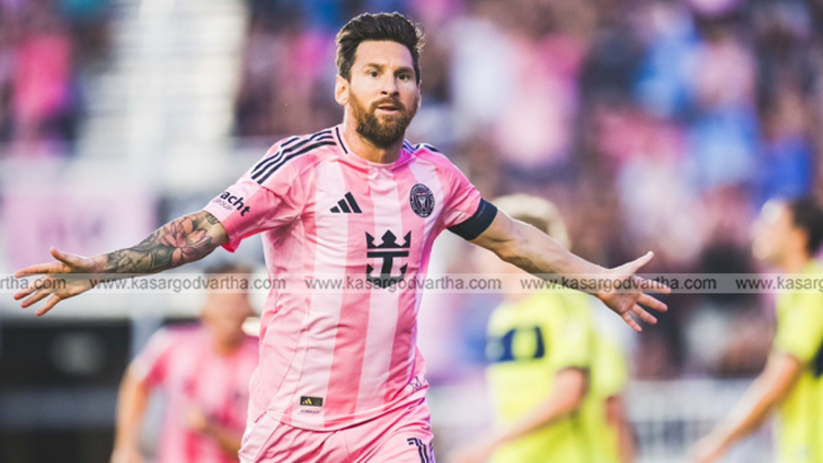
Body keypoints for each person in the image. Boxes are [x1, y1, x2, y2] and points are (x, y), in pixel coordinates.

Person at [13, 13, 667, 463]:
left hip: (391, 420)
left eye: (403, 75)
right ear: (342, 86)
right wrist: (103, 268)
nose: (390, 86)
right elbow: (199, 233)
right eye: (374, 72)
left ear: (418, 91)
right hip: (291, 426)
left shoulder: (436, 177)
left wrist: (597, 280)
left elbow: (512, 238)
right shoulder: (296, 167)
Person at [450, 195, 635, 463]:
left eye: (486, 242)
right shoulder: (502, 318)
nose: (478, 253)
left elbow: (571, 393)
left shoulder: (564, 303)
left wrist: (490, 441)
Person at [692, 197, 823, 463]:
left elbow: (779, 378)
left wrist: (721, 439)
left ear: (799, 237)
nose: (758, 230)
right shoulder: (794, 292)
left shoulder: (811, 290)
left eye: (771, 224)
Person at [110, 263, 259, 463]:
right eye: (223, 301)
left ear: (249, 305)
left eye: (237, 301)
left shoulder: (264, 359)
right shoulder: (173, 344)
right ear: (206, 304)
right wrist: (125, 446)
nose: (229, 311)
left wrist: (211, 429)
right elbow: (136, 380)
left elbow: (262, 448)